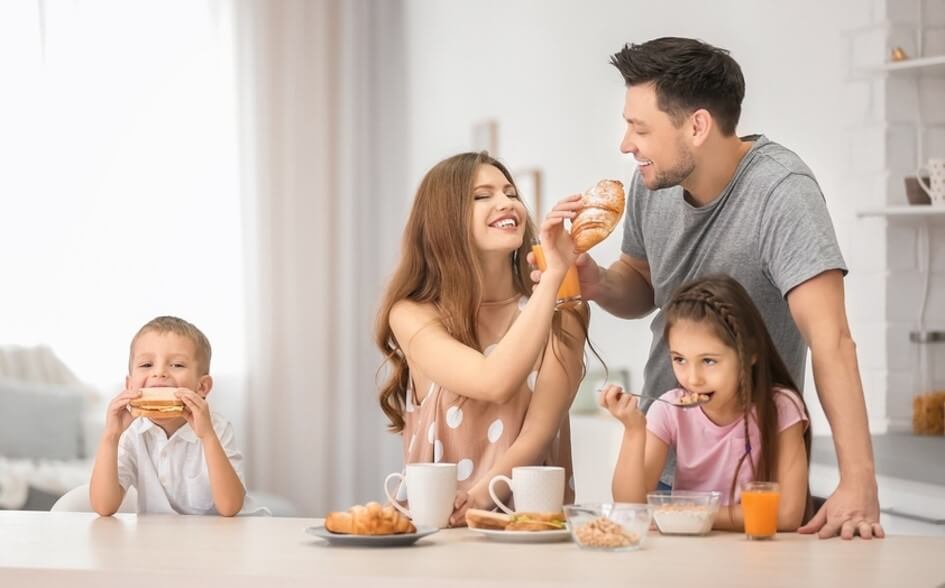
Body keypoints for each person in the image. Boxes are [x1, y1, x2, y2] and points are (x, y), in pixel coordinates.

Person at [541, 37, 882, 539]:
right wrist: (600, 284)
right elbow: (643, 281)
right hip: (664, 470)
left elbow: (831, 339)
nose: (626, 144)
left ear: (697, 126)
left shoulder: (781, 193)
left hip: (753, 483)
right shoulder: (650, 183)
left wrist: (859, 479)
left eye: (640, 128)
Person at [376, 151, 588, 526]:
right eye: (482, 196)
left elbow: (538, 433)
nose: (506, 203)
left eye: (510, 193)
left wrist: (476, 498)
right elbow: (493, 381)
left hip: (529, 532)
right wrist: (551, 281)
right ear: (444, 219)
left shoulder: (563, 312)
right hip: (435, 531)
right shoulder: (412, 314)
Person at [600, 275, 811, 531]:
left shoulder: (781, 408)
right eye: (679, 359)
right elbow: (629, 508)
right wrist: (633, 431)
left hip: (756, 558)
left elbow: (786, 516)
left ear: (751, 353)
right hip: (689, 555)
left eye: (709, 361)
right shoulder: (669, 410)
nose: (692, 379)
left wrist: (686, 513)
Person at [90, 316, 259, 516]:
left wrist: (208, 437)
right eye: (146, 365)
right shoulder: (131, 434)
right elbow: (103, 507)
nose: (159, 373)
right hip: (162, 541)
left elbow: (230, 507)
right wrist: (111, 436)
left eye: (177, 365)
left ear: (202, 386)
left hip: (224, 538)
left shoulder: (216, 428)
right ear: (129, 385)